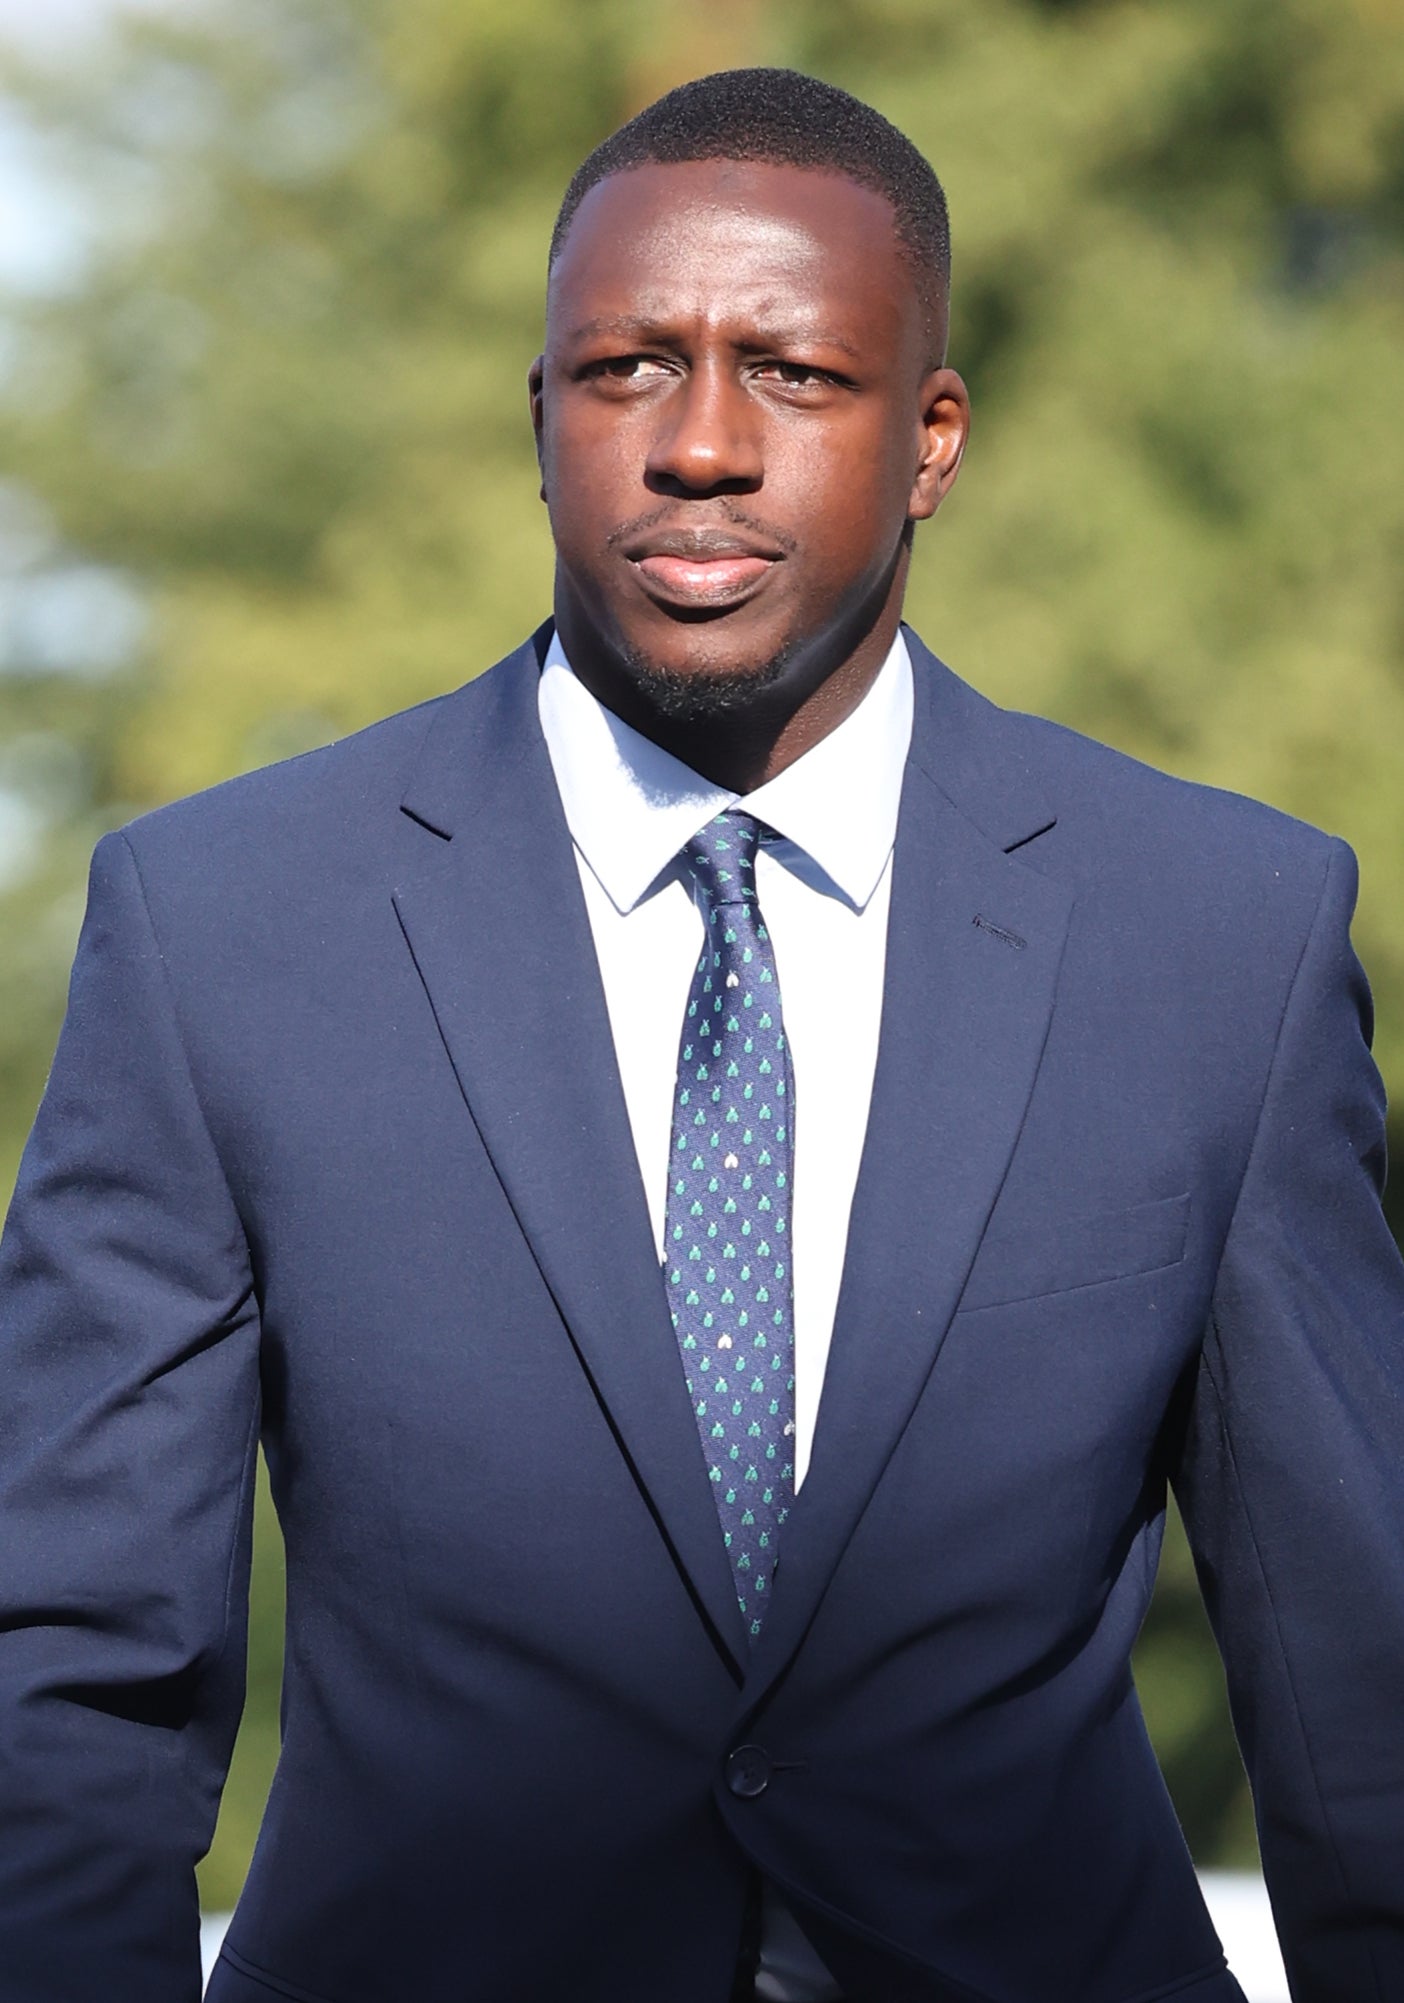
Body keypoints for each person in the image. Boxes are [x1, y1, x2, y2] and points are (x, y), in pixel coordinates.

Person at [0, 64, 1401, 2003]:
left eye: (799, 376)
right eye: (628, 370)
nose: (704, 446)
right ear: (542, 420)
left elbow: (1364, 1694)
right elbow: (66, 1677)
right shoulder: (227, 928)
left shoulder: (1217, 938)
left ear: (932, 438)